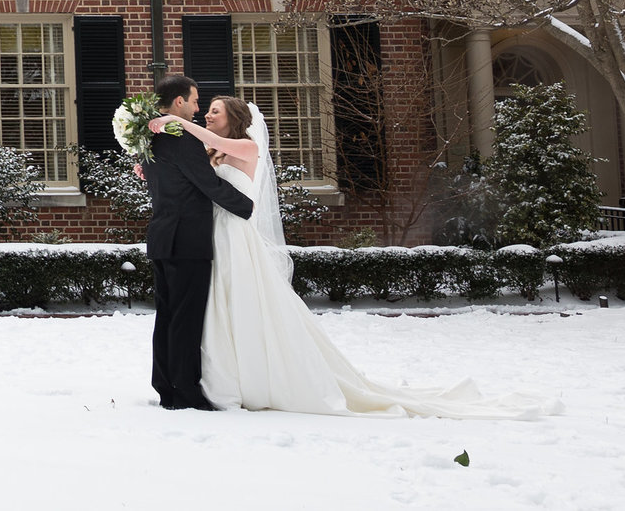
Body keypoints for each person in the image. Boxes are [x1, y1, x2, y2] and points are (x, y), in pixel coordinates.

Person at [152, 95, 562, 419]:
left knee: (239, 301)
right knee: (216, 309)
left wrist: (175, 122)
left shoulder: (244, 144)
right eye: (204, 111)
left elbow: (215, 145)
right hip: (212, 236)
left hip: (235, 236)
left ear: (234, 117)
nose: (207, 115)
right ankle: (219, 373)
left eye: (214, 111)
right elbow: (191, 177)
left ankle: (251, 377)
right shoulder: (214, 155)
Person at [140, 73, 257, 410]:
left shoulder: (151, 138)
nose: (197, 108)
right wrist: (247, 207)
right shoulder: (182, 139)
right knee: (185, 318)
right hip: (186, 239)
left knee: (167, 315)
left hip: (162, 236)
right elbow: (209, 184)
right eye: (194, 100)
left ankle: (165, 384)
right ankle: (184, 391)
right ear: (179, 102)